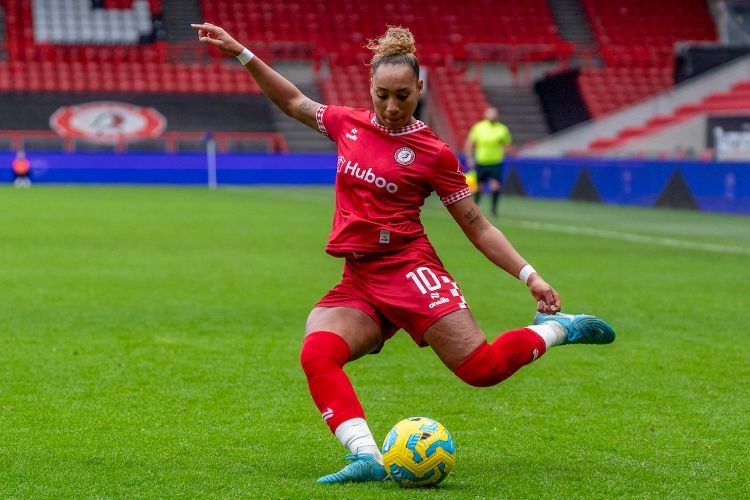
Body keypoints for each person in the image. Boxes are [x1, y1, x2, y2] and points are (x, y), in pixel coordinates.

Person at [192, 22, 615, 484]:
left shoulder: (434, 153)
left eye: (402, 96)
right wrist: (241, 52)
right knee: (317, 352)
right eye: (382, 95)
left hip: (411, 270)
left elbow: (476, 225)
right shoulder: (347, 124)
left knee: (481, 370)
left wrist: (529, 275)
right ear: (369, 89)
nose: (391, 107)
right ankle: (367, 456)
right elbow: (294, 101)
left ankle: (556, 329)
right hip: (360, 277)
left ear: (420, 89)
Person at [464, 106, 512, 216]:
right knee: (479, 186)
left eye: (494, 114)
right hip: (481, 161)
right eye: (490, 113)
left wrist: (504, 152)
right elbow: (470, 142)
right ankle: (475, 206)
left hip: (495, 162)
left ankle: (493, 209)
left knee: (495, 185)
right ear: (486, 115)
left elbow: (507, 144)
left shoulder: (502, 129)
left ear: (497, 115)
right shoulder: (479, 127)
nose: (492, 116)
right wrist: (470, 157)